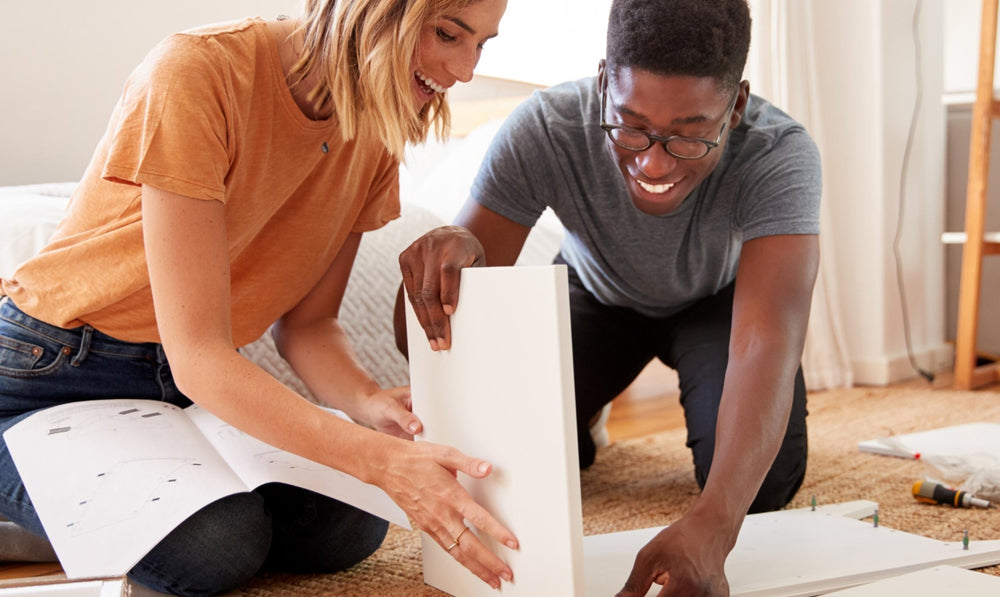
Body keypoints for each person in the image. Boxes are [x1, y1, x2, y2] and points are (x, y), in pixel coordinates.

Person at [0, 0, 519, 595]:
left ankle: (79, 516)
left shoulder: (376, 123)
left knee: (347, 525)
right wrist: (375, 458)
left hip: (184, 390)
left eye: (481, 44)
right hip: (53, 372)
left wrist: (370, 405)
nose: (464, 71)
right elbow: (200, 355)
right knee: (218, 547)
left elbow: (309, 325)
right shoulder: (197, 70)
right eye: (448, 33)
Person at [396, 0, 821, 594]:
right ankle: (581, 419)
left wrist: (716, 525)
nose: (652, 161)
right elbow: (425, 336)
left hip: (717, 304)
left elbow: (766, 339)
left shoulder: (780, 153)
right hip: (594, 292)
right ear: (603, 85)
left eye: (690, 136)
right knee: (523, 459)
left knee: (764, 486)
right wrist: (436, 263)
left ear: (737, 106)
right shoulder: (547, 127)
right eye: (631, 126)